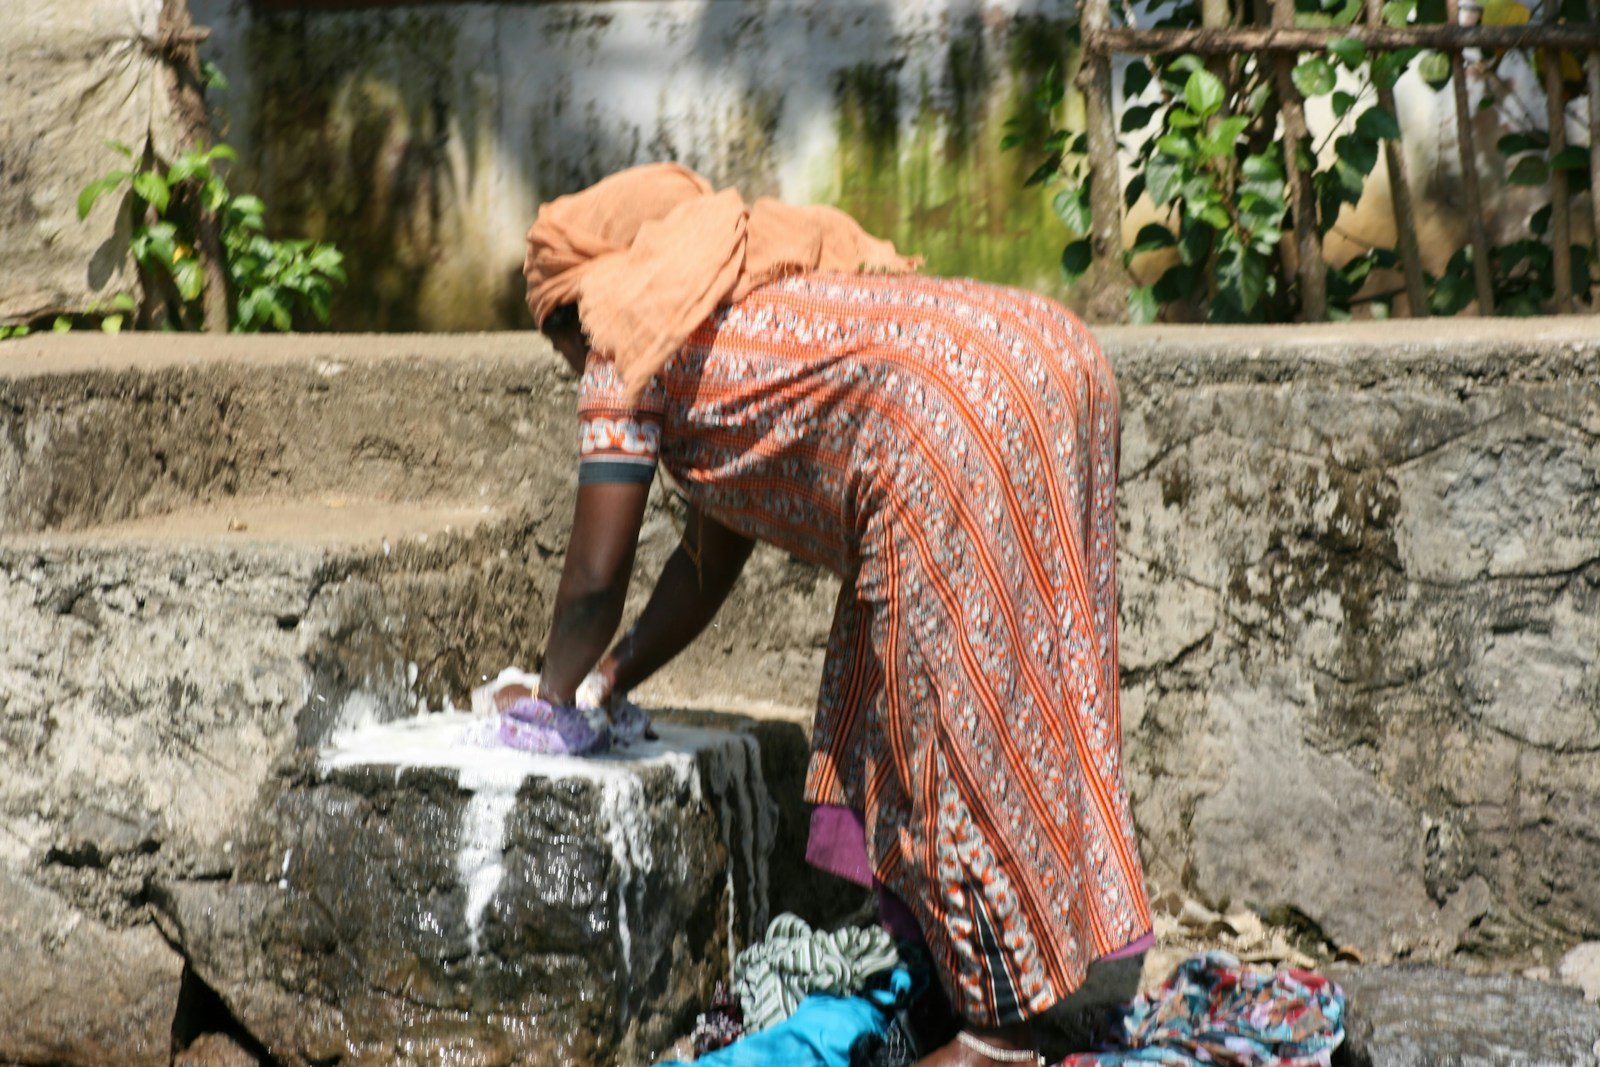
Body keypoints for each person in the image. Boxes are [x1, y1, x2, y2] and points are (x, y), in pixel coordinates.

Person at [520, 163, 1152, 1065]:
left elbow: (592, 573)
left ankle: (997, 1035)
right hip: (1055, 352)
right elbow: (707, 560)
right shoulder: (748, 292)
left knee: (943, 724)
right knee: (1044, 682)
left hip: (947, 419)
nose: (572, 369)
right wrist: (613, 678)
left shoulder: (627, 333)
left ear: (570, 310)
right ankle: (1052, 975)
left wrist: (548, 698)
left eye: (561, 349)